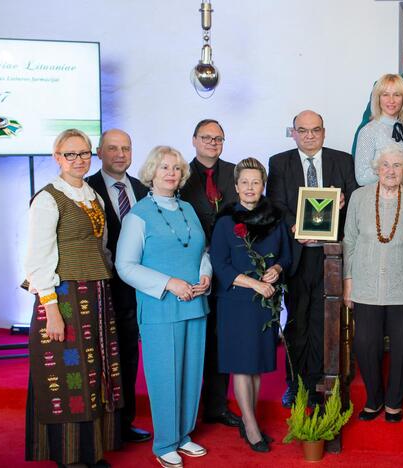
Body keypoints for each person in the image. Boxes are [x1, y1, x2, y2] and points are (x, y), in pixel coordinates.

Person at [24, 128, 124, 467]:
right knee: (70, 375)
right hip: (64, 295)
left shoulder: (93, 196)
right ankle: (69, 455)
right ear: (57, 157)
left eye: (84, 154)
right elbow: (38, 259)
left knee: (94, 371)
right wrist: (51, 310)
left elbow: (103, 247)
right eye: (70, 154)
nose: (78, 160)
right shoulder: (49, 198)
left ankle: (91, 451)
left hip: (95, 292)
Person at [116, 146, 212, 468]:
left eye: (175, 168)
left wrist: (205, 275)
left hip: (195, 305)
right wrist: (169, 283)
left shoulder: (187, 209)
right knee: (165, 376)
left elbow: (201, 252)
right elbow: (125, 266)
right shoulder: (138, 215)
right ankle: (165, 443)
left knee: (190, 373)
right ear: (152, 173)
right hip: (160, 308)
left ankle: (184, 436)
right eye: (163, 168)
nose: (170, 173)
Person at [267, 110, 358, 407]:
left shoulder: (342, 160)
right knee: (296, 319)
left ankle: (324, 379)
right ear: (293, 133)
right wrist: (296, 226)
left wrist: (343, 203)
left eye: (315, 130)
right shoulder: (280, 163)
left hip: (331, 255)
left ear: (324, 131)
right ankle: (295, 383)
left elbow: (354, 199)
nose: (309, 135)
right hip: (297, 254)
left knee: (326, 319)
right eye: (302, 130)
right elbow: (276, 205)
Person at [210, 158, 291, 453]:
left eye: (255, 182)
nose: (250, 187)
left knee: (255, 366)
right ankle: (251, 425)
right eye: (244, 182)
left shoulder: (276, 217)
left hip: (265, 303)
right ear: (236, 186)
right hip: (237, 301)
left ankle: (249, 419)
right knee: (242, 366)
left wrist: (277, 270)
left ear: (263, 185)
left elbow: (286, 256)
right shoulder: (226, 221)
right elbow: (219, 264)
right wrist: (255, 283)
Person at [342, 144, 403, 423]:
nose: (391, 171)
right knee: (365, 344)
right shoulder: (359, 196)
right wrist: (348, 281)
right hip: (365, 284)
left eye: (397, 165)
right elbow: (349, 240)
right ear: (377, 169)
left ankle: (394, 402)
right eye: (386, 165)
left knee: (401, 347)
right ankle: (374, 399)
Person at [86, 129, 152, 444]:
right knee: (100, 360)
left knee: (128, 357)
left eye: (126, 148)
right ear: (99, 152)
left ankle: (124, 424)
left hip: (137, 290)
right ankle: (102, 426)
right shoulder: (86, 189)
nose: (120, 154)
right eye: (113, 148)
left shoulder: (141, 189)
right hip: (101, 288)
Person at [178, 119, 242, 430]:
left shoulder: (234, 173)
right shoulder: (180, 174)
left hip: (228, 268)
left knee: (222, 338)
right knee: (193, 341)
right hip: (191, 270)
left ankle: (217, 406)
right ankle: (188, 410)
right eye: (206, 137)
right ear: (194, 140)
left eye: (218, 138)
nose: (212, 143)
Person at [354, 74, 403, 185]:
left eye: (397, 95)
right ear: (378, 98)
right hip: (378, 198)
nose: (391, 100)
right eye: (385, 95)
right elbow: (362, 177)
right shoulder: (368, 131)